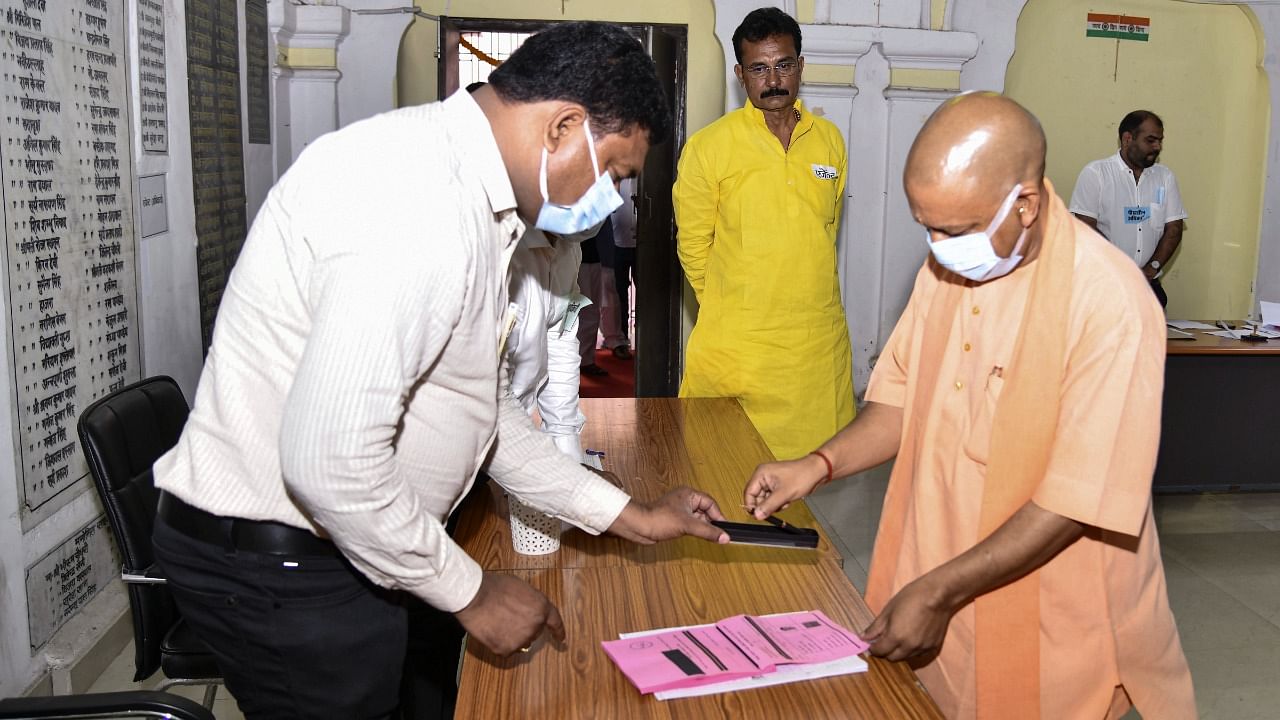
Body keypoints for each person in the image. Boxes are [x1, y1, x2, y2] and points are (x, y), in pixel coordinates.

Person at [151, 22, 729, 719]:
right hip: (289, 565)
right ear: (562, 127)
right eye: (613, 171)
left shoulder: (470, 196)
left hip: (356, 544)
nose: (610, 197)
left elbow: (480, 409)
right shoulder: (417, 202)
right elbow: (329, 463)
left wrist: (626, 516)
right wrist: (472, 591)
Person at [743, 93, 1195, 718]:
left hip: (1050, 612)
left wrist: (941, 591)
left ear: (1026, 203)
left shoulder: (1110, 303)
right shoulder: (950, 270)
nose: (937, 246)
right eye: (925, 226)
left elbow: (1075, 499)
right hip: (935, 581)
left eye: (952, 230)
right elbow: (901, 400)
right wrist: (815, 466)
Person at [673, 7, 855, 461]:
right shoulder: (710, 147)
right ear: (740, 74)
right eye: (759, 68)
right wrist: (730, 303)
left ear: (800, 66)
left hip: (814, 351)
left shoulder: (829, 140)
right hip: (738, 350)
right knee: (722, 472)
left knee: (812, 490)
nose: (773, 80)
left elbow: (825, 231)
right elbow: (693, 245)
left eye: (783, 65)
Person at [1069, 110, 1186, 307]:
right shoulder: (1096, 174)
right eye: (1150, 140)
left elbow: (1174, 229)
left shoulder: (1165, 177)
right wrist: (1123, 269)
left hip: (1149, 285)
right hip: (1104, 286)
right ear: (1127, 139)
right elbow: (1084, 228)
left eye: (1160, 140)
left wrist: (1151, 269)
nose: (1158, 146)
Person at [574, 217, 611, 377]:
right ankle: (578, 361)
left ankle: (586, 360)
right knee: (574, 312)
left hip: (594, 257)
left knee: (591, 311)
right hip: (576, 259)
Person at [608, 178, 637, 360]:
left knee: (646, 296)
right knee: (618, 295)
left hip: (642, 243)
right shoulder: (614, 176)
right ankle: (621, 340)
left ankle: (644, 340)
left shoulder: (643, 176)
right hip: (616, 244)